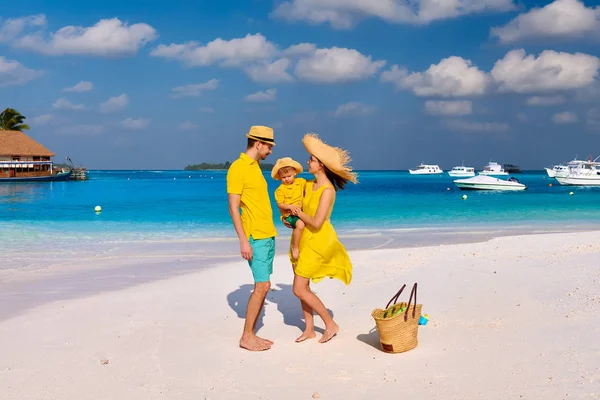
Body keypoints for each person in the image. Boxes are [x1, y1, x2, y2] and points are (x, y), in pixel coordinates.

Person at [287, 133, 358, 344]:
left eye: (311, 159)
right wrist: (290, 219)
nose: (307, 162)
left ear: (321, 166)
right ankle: (309, 329)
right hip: (300, 239)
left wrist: (299, 215)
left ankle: (330, 324)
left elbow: (317, 222)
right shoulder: (308, 185)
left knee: (298, 288)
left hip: (317, 242)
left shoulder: (327, 191)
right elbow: (299, 210)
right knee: (304, 288)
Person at [226, 125, 277, 351]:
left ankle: (251, 334)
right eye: (269, 146)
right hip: (255, 237)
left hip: (268, 234)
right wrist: (243, 240)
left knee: (264, 286)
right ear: (258, 144)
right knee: (262, 286)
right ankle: (247, 337)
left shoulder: (255, 166)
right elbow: (234, 208)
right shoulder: (238, 168)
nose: (270, 151)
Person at [271, 157, 307, 261]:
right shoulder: (280, 190)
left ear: (295, 173)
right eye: (283, 177)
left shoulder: (301, 182)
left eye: (289, 176)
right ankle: (295, 247)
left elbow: (311, 187)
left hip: (300, 212)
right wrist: (290, 207)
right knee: (300, 224)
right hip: (289, 215)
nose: (286, 179)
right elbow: (280, 204)